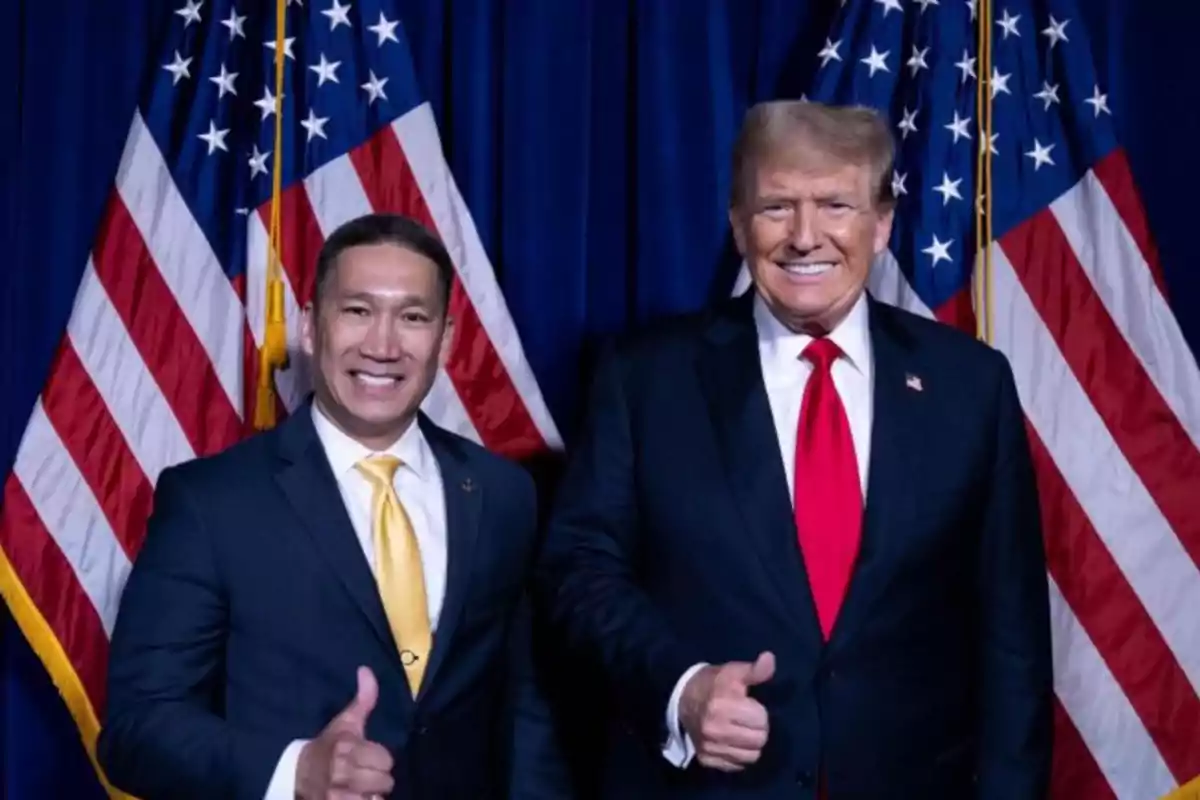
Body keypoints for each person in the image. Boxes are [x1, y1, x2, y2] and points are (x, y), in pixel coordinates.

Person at [537, 100, 1053, 798]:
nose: (805, 237)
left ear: (881, 224)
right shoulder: (644, 378)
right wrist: (681, 691)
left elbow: (1012, 639)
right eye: (777, 207)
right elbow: (579, 569)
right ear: (737, 223)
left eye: (835, 204)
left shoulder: (971, 385)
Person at [97, 213, 569, 800]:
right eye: (357, 310)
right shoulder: (211, 503)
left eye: (413, 317)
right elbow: (137, 728)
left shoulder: (504, 493)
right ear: (311, 328)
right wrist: (295, 771)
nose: (383, 345)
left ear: (445, 340)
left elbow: (524, 711)